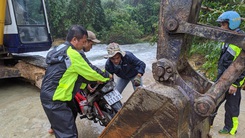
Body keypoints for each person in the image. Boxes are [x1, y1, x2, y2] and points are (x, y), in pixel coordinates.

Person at [40, 25, 111, 138]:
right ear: (74, 40)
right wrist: (106, 76)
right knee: (69, 135)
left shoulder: (59, 48)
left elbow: (71, 73)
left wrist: (85, 85)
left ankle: (57, 126)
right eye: (83, 42)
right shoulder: (72, 54)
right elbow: (91, 71)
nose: (83, 45)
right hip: (55, 98)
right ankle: (60, 127)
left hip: (53, 94)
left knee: (73, 110)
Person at [209, 11, 245, 136]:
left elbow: (242, 66)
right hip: (222, 80)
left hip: (232, 82)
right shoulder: (229, 38)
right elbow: (224, 61)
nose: (221, 28)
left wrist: (235, 84)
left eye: (223, 25)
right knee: (213, 101)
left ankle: (230, 130)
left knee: (231, 107)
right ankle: (208, 123)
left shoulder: (241, 40)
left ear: (232, 24)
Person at [104, 42, 146, 111]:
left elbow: (141, 64)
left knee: (139, 94)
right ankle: (119, 110)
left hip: (135, 75)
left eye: (117, 58)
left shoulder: (128, 56)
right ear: (109, 58)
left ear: (120, 55)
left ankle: (141, 109)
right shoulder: (108, 65)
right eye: (113, 59)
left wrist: (139, 76)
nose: (116, 61)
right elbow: (110, 79)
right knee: (114, 95)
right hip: (122, 77)